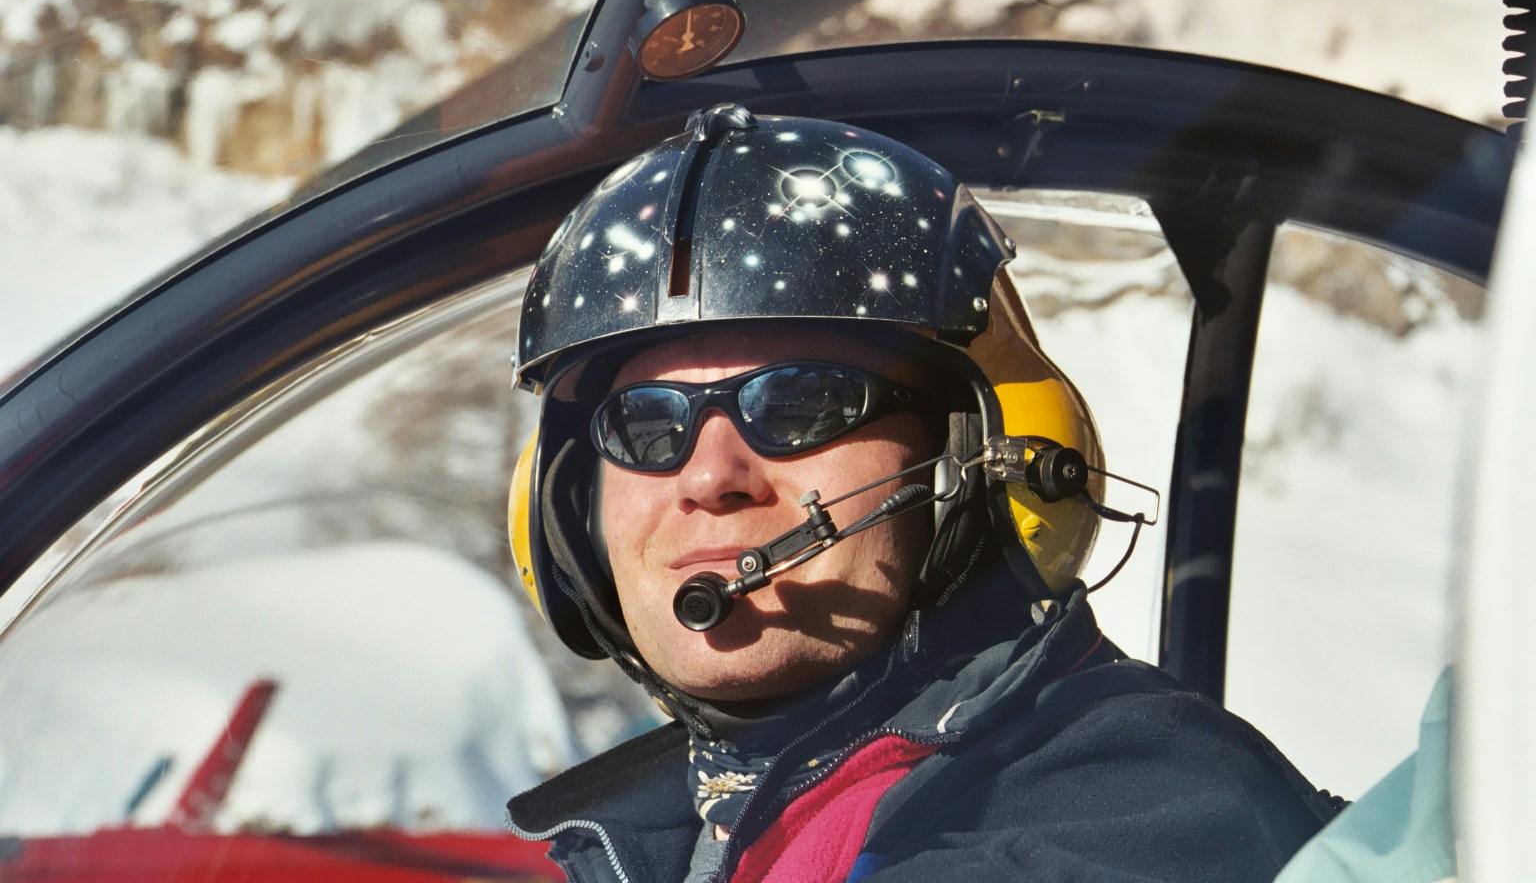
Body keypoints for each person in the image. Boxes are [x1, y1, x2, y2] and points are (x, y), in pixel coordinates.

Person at [504, 104, 1339, 882]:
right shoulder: (662, 830)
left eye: (800, 405)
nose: (710, 476)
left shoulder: (1133, 813)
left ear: (972, 462)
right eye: (646, 426)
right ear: (570, 513)